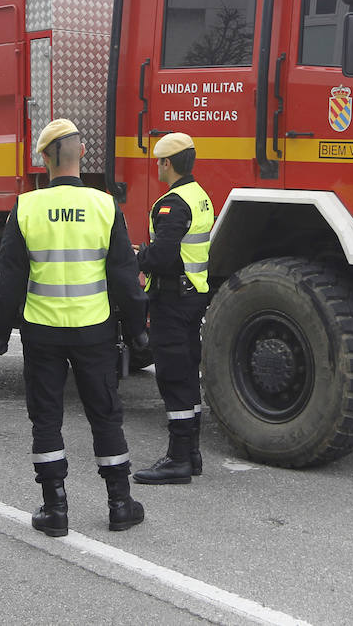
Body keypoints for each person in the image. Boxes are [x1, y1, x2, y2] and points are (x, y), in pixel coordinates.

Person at [0, 118, 149, 536]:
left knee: (46, 418)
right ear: (82, 154)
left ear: (44, 159)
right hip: (93, 330)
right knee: (105, 415)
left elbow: (9, 282)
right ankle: (119, 503)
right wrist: (138, 329)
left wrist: (2, 332)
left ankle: (54, 509)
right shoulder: (103, 204)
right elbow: (124, 276)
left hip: (42, 331)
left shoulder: (25, 207)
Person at [132, 132, 213, 486]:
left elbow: (164, 256)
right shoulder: (200, 197)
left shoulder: (172, 203)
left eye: (159, 162)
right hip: (192, 296)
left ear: (167, 163)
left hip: (172, 300)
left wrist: (138, 257)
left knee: (173, 376)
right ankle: (190, 453)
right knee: (187, 373)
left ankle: (178, 459)